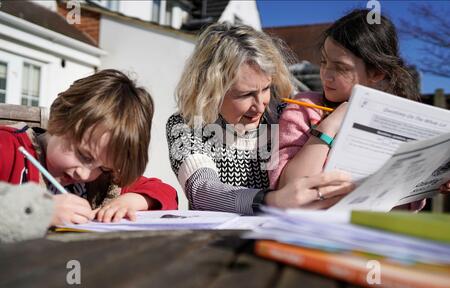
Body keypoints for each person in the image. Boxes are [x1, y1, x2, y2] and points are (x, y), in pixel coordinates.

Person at [268, 9, 450, 209]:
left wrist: (431, 179)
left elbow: (405, 207)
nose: (326, 75)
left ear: (376, 73)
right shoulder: (305, 109)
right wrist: (328, 128)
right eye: (323, 62)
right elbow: (289, 188)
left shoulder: (399, 118)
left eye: (341, 68)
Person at [166, 22, 354, 214]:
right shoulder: (185, 125)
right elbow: (202, 191)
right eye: (245, 94)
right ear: (210, 90)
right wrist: (272, 201)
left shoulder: (284, 115)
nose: (261, 104)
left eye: (266, 88)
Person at [0, 69, 178, 231]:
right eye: (84, 155)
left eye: (103, 168)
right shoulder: (8, 148)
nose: (85, 175)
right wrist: (37, 212)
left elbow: (167, 193)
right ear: (60, 120)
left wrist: (131, 201)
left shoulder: (100, 182)